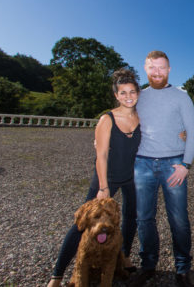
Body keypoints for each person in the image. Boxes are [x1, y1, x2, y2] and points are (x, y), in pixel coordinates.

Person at [47, 69, 141, 287]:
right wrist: (103, 186)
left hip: (132, 177)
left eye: (133, 92)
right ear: (116, 95)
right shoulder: (107, 119)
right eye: (123, 92)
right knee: (81, 223)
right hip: (107, 177)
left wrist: (180, 134)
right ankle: (57, 275)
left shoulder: (140, 117)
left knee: (131, 216)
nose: (129, 96)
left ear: (138, 93)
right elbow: (101, 154)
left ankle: (124, 255)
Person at [132, 50, 194, 287]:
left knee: (179, 219)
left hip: (174, 164)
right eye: (153, 67)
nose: (157, 72)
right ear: (145, 68)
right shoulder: (138, 96)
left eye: (162, 67)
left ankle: (183, 269)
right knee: (144, 219)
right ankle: (148, 266)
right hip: (142, 164)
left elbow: (193, 131)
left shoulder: (181, 97)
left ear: (169, 69)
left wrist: (185, 165)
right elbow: (122, 121)